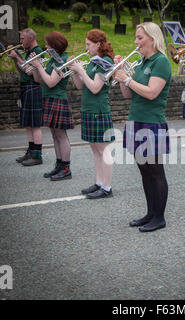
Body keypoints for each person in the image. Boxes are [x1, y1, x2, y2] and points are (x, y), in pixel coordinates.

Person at [113, 22, 172, 232]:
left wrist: (127, 79)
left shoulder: (161, 62)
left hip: (151, 121)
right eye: (136, 37)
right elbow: (127, 94)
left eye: (140, 37)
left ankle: (159, 217)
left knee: (156, 172)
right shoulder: (141, 62)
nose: (136, 42)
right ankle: (150, 213)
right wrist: (121, 76)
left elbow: (152, 92)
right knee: (144, 172)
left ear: (152, 38)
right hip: (136, 120)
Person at [68, 29, 115, 199]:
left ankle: (107, 188)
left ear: (98, 44)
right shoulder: (93, 61)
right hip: (88, 109)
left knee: (103, 149)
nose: (86, 47)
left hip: (99, 110)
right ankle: (99, 183)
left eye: (88, 44)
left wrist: (81, 70)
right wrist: (75, 71)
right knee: (95, 150)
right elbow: (81, 86)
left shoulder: (106, 61)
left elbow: (96, 88)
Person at [30, 31, 74, 181]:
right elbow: (38, 80)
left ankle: (66, 168)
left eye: (48, 44)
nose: (46, 46)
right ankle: (59, 164)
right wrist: (35, 66)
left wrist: (39, 66)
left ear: (55, 45)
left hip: (58, 99)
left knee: (61, 135)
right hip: (48, 98)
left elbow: (51, 82)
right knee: (55, 135)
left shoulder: (63, 61)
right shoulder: (51, 60)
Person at [8, 28, 43, 166]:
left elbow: (30, 72)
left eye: (22, 39)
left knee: (35, 124)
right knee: (28, 123)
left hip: (33, 87)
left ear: (30, 38)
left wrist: (17, 57)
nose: (20, 41)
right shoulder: (27, 52)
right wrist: (16, 60)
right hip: (25, 87)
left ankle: (37, 155)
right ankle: (31, 151)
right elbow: (22, 71)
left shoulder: (38, 51)